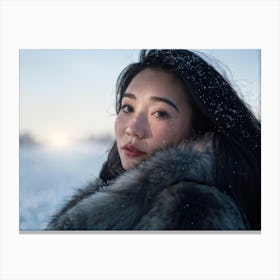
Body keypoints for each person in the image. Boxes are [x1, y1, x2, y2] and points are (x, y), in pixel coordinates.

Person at [46, 49, 261, 231]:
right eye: (128, 108)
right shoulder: (110, 190)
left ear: (199, 130)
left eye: (160, 113)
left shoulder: (191, 211)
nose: (133, 128)